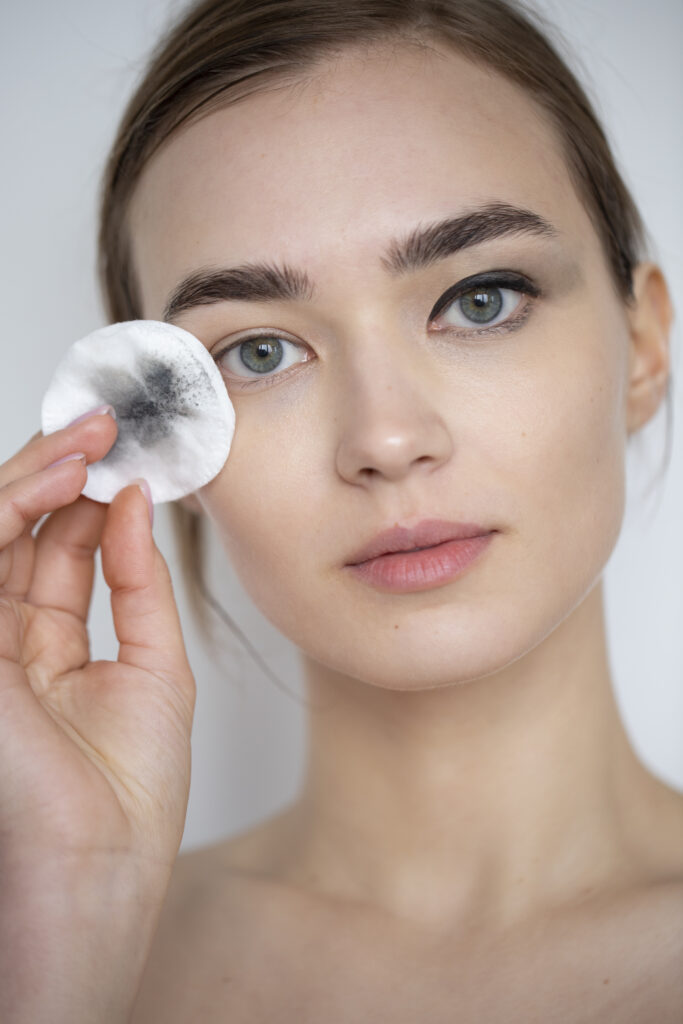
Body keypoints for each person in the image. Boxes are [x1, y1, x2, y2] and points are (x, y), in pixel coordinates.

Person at [1, 0, 681, 1020]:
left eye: (480, 298)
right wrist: (65, 919)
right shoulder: (56, 953)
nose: (385, 439)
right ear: (143, 430)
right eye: (257, 352)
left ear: (639, 346)